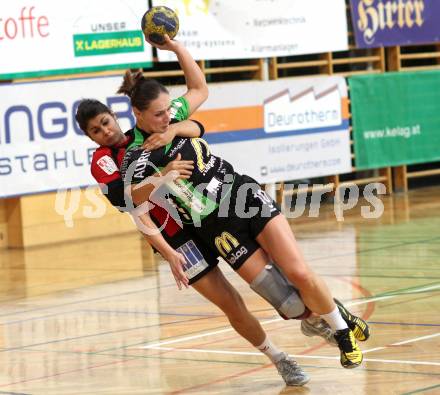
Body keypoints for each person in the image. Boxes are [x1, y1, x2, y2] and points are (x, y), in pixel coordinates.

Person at [120, 35, 370, 369]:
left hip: (242, 196)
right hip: (213, 226)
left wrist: (177, 49)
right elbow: (132, 200)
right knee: (289, 306)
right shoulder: (134, 154)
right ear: (137, 113)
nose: (166, 117)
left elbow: (199, 89)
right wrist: (160, 178)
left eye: (168, 111)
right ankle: (332, 312)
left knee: (297, 271)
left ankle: (342, 334)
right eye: (158, 114)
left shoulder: (174, 119)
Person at [75, 39, 313, 386]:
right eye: (95, 131)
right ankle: (278, 357)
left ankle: (312, 312)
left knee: (270, 274)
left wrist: (176, 119)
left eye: (105, 122)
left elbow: (197, 105)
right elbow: (129, 205)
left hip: (204, 219)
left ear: (117, 116)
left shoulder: (149, 129)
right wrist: (169, 252)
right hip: (173, 237)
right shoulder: (105, 162)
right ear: (90, 137)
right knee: (230, 303)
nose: (105, 132)